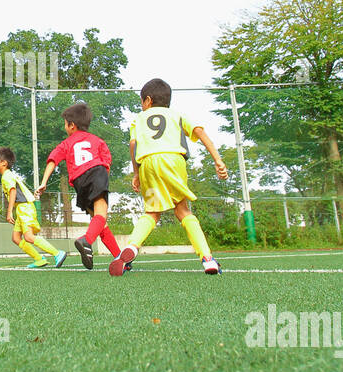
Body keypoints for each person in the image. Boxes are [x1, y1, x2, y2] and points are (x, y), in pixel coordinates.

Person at [110, 78, 228, 276]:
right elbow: (199, 132)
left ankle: (131, 246)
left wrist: (136, 173)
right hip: (173, 160)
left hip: (147, 163)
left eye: (141, 101)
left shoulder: (138, 119)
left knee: (151, 213)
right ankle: (207, 258)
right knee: (182, 211)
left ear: (147, 101)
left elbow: (133, 145)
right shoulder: (177, 115)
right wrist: (218, 160)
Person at [36, 101, 124, 270]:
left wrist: (43, 182)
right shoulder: (97, 140)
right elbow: (107, 163)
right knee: (101, 215)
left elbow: (52, 160)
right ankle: (86, 241)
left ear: (72, 125)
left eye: (65, 124)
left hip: (78, 182)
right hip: (96, 174)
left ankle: (120, 258)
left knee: (100, 222)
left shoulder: (66, 143)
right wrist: (102, 184)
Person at [0, 147, 68, 269]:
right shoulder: (8, 175)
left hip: (24, 208)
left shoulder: (6, 176)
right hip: (22, 208)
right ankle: (39, 259)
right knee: (16, 238)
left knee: (28, 237)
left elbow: (12, 192)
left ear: (4, 163)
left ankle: (57, 253)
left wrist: (9, 211)